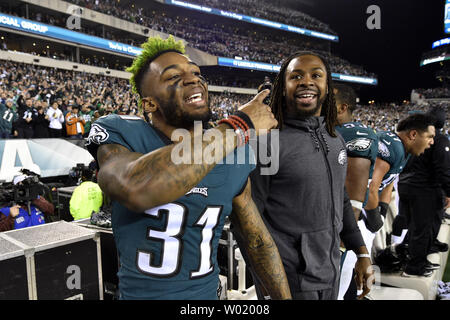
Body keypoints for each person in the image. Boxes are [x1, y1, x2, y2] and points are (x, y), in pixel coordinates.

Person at [85, 35, 291, 300]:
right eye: (173, 77)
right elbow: (134, 188)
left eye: (196, 72)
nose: (193, 79)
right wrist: (240, 125)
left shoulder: (232, 149)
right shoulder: (122, 132)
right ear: (149, 103)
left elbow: (257, 241)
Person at [248, 51, 373, 300]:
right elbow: (249, 219)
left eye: (316, 75)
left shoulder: (334, 139)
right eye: (296, 76)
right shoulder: (265, 142)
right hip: (287, 279)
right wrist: (268, 279)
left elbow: (342, 198)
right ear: (283, 88)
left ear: (327, 88)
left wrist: (361, 252)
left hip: (329, 270)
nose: (307, 81)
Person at [364, 113, 436, 251]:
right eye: (430, 137)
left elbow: (389, 182)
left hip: (364, 206)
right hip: (355, 208)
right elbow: (370, 186)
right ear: (413, 134)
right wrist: (375, 219)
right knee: (351, 264)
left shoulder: (404, 149)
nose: (432, 142)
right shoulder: (393, 146)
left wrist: (383, 211)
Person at [333, 83, 379, 300]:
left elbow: (353, 199)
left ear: (342, 108)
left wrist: (343, 246)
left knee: (336, 290)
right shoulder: (327, 131)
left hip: (340, 229)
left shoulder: (354, 134)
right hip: (328, 228)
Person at [392, 107, 449, 277]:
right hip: (424, 190)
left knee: (413, 227)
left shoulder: (411, 141)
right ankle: (414, 267)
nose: (430, 141)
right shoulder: (438, 139)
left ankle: (404, 257)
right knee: (422, 229)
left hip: (406, 186)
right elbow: (443, 169)